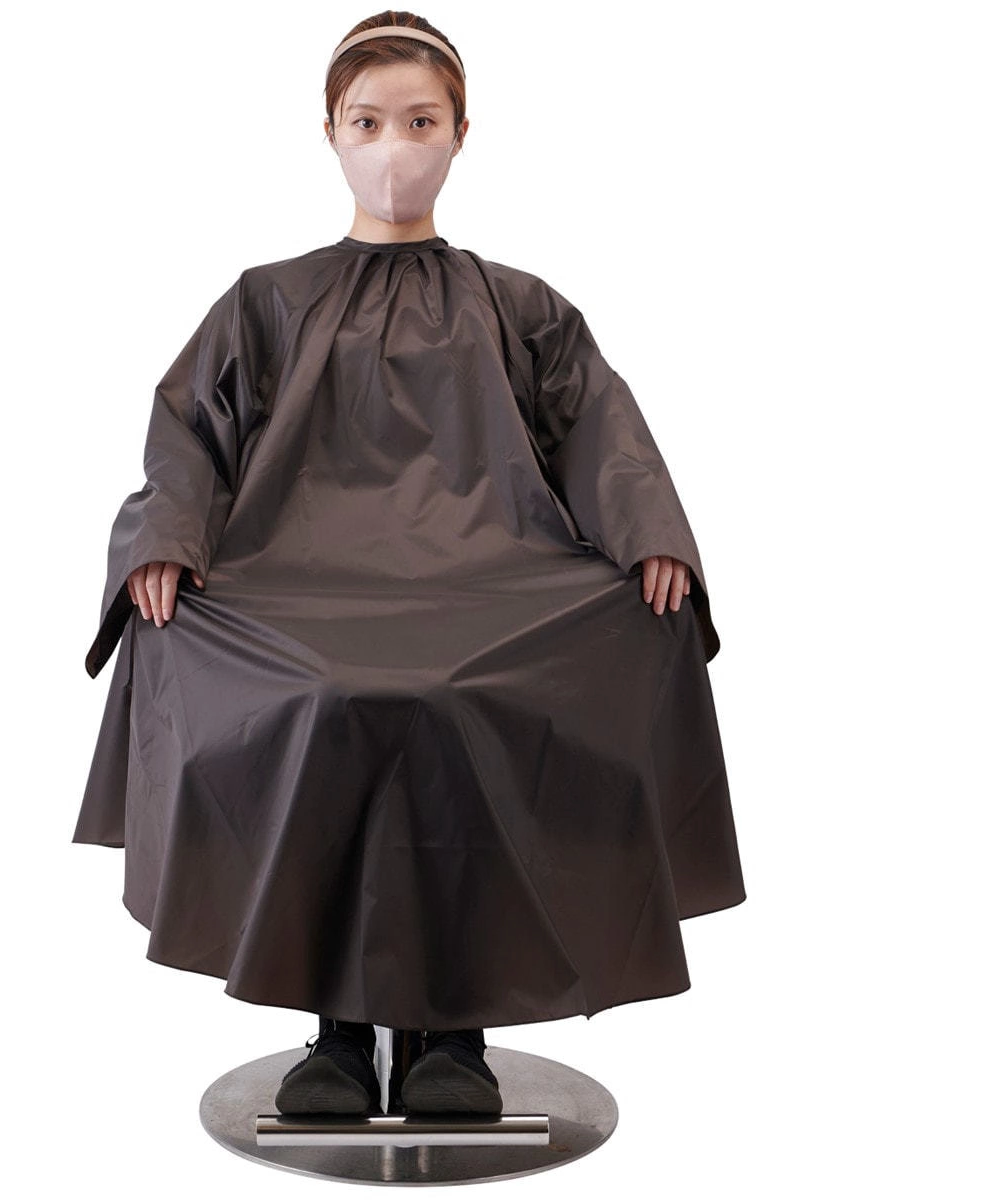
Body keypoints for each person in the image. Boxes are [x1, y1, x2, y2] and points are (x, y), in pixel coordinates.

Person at [72, 12, 746, 1119]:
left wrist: (652, 533)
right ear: (331, 133)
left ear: (462, 133)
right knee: (326, 696)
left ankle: (455, 1037)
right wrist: (168, 541)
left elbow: (596, 428)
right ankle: (337, 1036)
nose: (396, 146)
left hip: (496, 580)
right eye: (370, 122)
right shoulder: (265, 300)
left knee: (473, 693)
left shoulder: (519, 304)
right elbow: (188, 436)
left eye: (421, 122)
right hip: (297, 584)